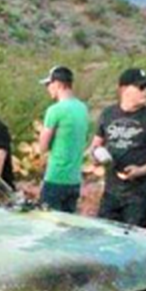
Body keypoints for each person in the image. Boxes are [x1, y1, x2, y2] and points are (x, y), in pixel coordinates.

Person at [90, 68, 146, 228]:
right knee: (103, 240)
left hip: (138, 196)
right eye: (141, 87)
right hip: (110, 192)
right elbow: (95, 144)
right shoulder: (108, 114)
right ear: (123, 89)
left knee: (133, 243)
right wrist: (97, 156)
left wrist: (141, 171)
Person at [38, 66, 89, 213]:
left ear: (58, 84)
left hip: (55, 177)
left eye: (49, 85)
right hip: (74, 180)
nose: (48, 89)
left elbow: (43, 146)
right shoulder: (82, 108)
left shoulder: (55, 111)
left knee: (48, 225)